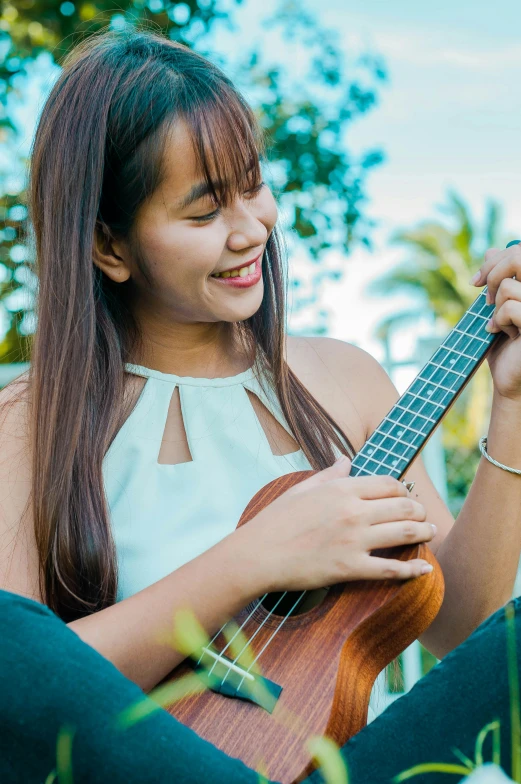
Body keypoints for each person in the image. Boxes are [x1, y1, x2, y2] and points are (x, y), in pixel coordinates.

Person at [1, 25, 521, 781]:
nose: (251, 229)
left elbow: (463, 628)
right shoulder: (28, 420)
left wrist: (510, 402)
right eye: (204, 211)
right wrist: (254, 558)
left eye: (252, 186)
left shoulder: (342, 378)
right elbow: (22, 680)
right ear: (109, 247)